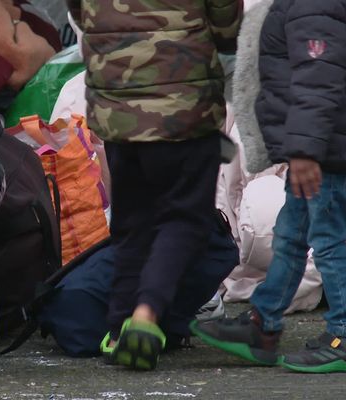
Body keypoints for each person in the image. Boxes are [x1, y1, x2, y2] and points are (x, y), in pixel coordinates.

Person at [190, 0, 346, 374]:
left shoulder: (315, 5)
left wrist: (304, 152)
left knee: (327, 239)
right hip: (328, 144)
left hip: (331, 148)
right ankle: (263, 325)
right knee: (291, 234)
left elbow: (317, 80)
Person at [78, 0, 243, 370]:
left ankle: (118, 328)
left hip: (116, 105)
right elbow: (226, 23)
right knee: (184, 217)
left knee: (131, 222)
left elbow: (80, 13)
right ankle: (146, 314)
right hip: (182, 109)